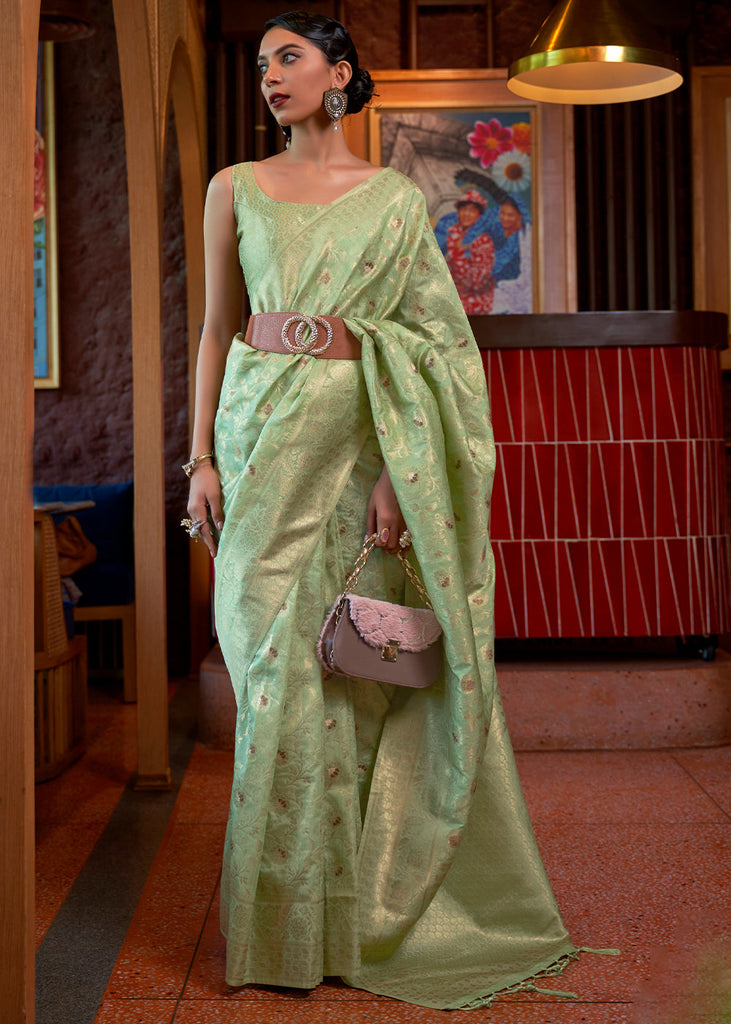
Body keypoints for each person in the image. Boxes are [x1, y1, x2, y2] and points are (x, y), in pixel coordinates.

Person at [185, 10, 612, 1010]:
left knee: (346, 678)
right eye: (262, 63)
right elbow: (212, 326)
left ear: (338, 72)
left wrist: (394, 470)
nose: (270, 75)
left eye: (290, 58)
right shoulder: (232, 186)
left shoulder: (388, 200)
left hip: (356, 440)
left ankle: (338, 921)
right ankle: (276, 926)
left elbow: (431, 341)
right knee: (267, 669)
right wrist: (198, 455)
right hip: (257, 436)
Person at [434, 190, 495, 313]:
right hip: (454, 296)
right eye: (463, 209)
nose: (466, 214)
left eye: (472, 210)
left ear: (479, 215)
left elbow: (477, 282)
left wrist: (458, 253)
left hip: (476, 302)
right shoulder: (453, 235)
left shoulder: (484, 241)